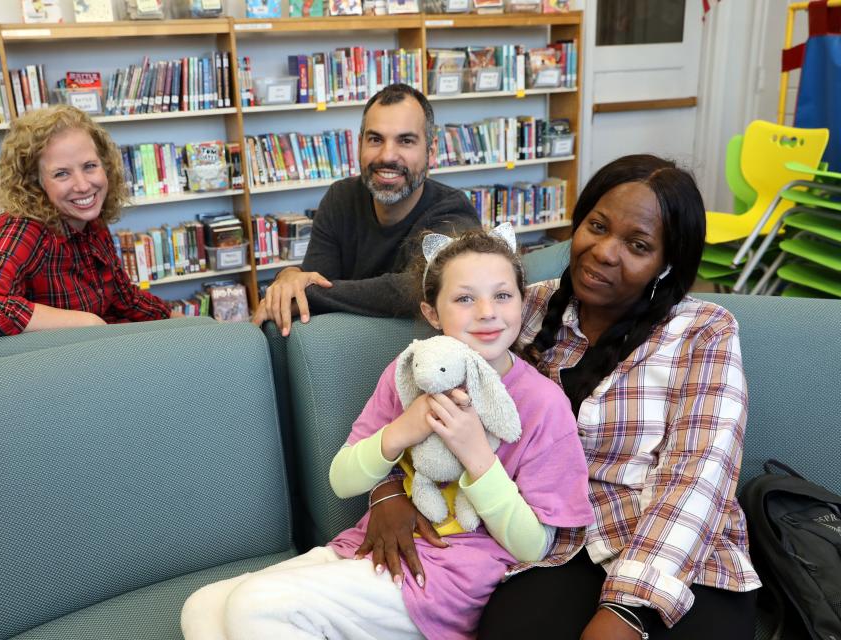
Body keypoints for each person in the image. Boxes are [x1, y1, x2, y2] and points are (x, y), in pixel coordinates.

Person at [363, 154, 761, 639]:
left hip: (678, 556)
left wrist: (626, 610)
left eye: (637, 245)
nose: (605, 252)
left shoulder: (704, 331)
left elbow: (697, 479)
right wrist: (387, 492)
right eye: (597, 226)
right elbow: (430, 302)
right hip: (561, 544)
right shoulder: (521, 305)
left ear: (666, 263)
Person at [181, 225, 593, 640]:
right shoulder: (406, 375)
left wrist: (476, 455)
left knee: (256, 607)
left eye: (502, 295)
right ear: (432, 313)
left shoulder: (543, 403)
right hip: (375, 546)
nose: (487, 311)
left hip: (452, 575)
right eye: (464, 298)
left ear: (523, 302)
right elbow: (342, 481)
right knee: (202, 607)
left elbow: (534, 547)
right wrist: (401, 430)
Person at [251, 83, 480, 336]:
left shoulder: (453, 211)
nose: (387, 155)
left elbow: (417, 287)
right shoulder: (341, 197)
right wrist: (291, 279)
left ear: (431, 151)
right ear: (359, 144)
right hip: (342, 346)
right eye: (375, 139)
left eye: (406, 140)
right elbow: (314, 286)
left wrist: (301, 283)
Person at [0, 105, 175, 338]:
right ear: (35, 183)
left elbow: (125, 298)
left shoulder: (91, 220)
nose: (82, 186)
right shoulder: (23, 228)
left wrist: (189, 324)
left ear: (106, 166)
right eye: (61, 173)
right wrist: (88, 322)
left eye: (90, 166)